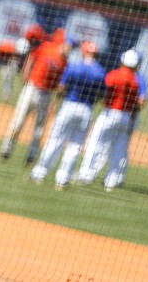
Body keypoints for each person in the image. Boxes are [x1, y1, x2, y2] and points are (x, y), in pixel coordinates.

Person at [29, 41, 106, 190]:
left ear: (84, 52)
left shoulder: (74, 66)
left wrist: (55, 103)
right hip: (87, 109)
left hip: (69, 105)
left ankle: (39, 173)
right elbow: (101, 95)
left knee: (55, 140)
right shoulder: (100, 72)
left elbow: (62, 87)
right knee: (75, 146)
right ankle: (63, 179)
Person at [0, 30, 75, 164]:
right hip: (31, 89)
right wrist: (26, 71)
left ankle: (32, 156)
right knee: (18, 121)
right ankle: (6, 149)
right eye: (68, 46)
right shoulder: (47, 47)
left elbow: (60, 87)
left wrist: (55, 103)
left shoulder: (65, 63)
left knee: (39, 129)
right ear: (64, 43)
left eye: (72, 48)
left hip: (46, 95)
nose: (69, 49)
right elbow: (32, 56)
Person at [76, 49, 145, 191]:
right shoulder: (135, 81)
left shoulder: (114, 75)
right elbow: (137, 105)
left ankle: (86, 175)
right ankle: (113, 181)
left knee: (95, 144)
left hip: (110, 114)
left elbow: (104, 92)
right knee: (119, 150)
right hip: (126, 117)